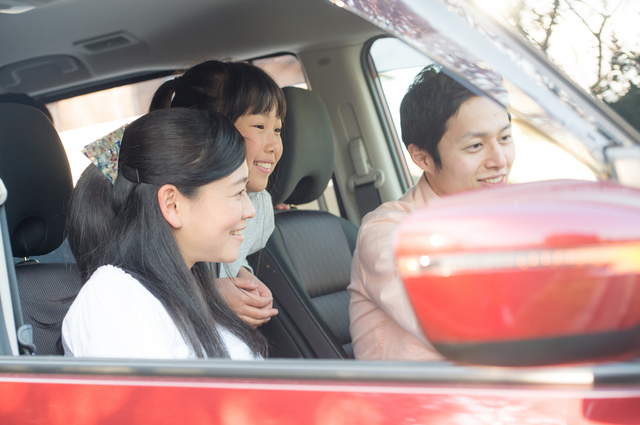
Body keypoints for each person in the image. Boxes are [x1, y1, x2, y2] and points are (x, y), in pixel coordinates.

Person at [63, 108, 267, 359]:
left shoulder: (194, 293)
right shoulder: (112, 301)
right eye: (237, 192)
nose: (250, 211)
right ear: (172, 205)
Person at [348, 65, 515, 361]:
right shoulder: (388, 232)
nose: (500, 160)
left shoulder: (508, 218)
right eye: (476, 145)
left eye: (504, 138)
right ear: (422, 157)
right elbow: (468, 330)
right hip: (426, 402)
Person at [149, 60, 284, 327]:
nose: (274, 144)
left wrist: (241, 278)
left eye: (278, 129)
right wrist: (209, 294)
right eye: (259, 126)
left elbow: (236, 254)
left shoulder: (259, 205)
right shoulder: (157, 203)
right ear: (211, 129)